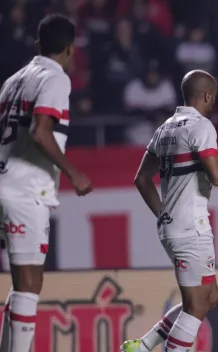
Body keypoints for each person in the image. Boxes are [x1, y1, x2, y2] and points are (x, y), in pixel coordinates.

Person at [121, 70, 218, 352]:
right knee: (196, 305)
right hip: (191, 228)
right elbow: (217, 176)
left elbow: (141, 178)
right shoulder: (201, 127)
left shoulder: (164, 128)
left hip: (173, 226)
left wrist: (163, 213)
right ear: (207, 96)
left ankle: (142, 347)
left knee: (209, 297)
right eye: (213, 97)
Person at [0, 14, 92, 352]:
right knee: (28, 284)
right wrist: (72, 171)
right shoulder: (56, 79)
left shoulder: (12, 81)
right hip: (26, 189)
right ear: (70, 49)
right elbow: (41, 131)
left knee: (23, 282)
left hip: (3, 181)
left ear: (38, 44)